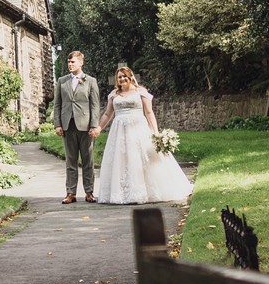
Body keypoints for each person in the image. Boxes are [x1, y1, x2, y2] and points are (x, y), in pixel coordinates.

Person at [96, 65, 193, 204]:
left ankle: (145, 191)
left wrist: (155, 132)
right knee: (121, 160)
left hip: (138, 128)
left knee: (141, 157)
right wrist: (99, 127)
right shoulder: (113, 95)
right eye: (119, 77)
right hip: (119, 132)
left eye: (124, 76)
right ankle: (123, 192)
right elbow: (107, 114)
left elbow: (149, 112)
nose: (122, 79)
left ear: (130, 77)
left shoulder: (141, 92)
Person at [52, 50, 101, 203]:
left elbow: (95, 105)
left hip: (86, 126)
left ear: (81, 63)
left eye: (73, 62)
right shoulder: (62, 81)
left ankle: (89, 192)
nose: (70, 64)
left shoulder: (90, 81)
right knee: (70, 161)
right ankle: (70, 193)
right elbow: (57, 104)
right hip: (68, 125)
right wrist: (58, 124)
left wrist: (94, 125)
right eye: (68, 62)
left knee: (88, 160)